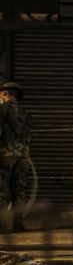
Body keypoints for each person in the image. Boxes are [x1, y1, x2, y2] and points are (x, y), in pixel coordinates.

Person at [0, 81, 31, 232]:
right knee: (19, 190)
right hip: (23, 156)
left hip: (5, 155)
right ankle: (18, 225)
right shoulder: (24, 112)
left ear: (5, 94)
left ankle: (3, 226)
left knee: (2, 190)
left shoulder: (2, 109)